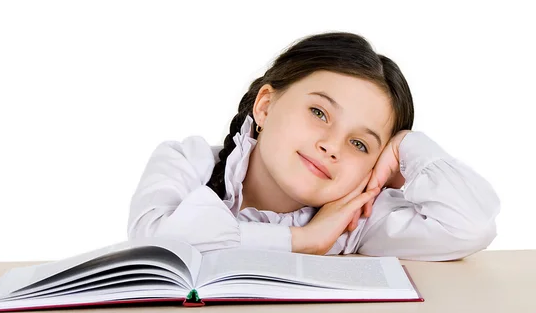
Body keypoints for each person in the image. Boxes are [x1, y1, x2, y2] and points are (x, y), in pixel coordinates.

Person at [127, 32, 500, 261]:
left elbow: (470, 227)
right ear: (266, 105)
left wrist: (408, 145)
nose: (331, 146)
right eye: (319, 113)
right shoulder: (186, 162)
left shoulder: (356, 221)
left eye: (359, 143)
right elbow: (155, 248)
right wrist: (302, 240)